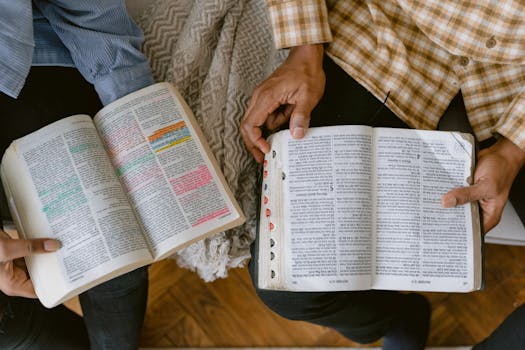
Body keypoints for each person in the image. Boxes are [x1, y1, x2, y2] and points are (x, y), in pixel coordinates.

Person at [241, 1, 525, 349]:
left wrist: (515, 146)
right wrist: (305, 49)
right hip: (383, 39)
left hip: (515, 82)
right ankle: (399, 318)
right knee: (289, 289)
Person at [0, 1, 154, 348]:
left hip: (22, 68)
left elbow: (87, 9)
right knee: (10, 329)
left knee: (115, 253)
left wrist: (132, 108)